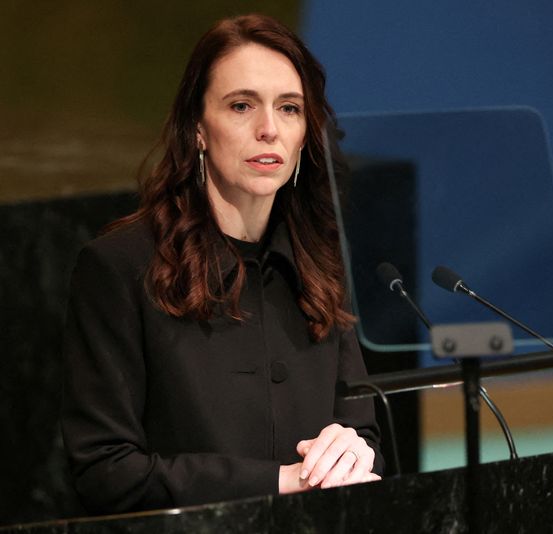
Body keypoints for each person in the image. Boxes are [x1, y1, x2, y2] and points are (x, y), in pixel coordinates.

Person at [61, 13, 383, 515]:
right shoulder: (119, 267)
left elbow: (362, 432)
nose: (269, 129)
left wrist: (351, 453)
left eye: (290, 108)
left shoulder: (320, 265)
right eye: (241, 105)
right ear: (198, 129)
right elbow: (106, 469)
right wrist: (280, 482)